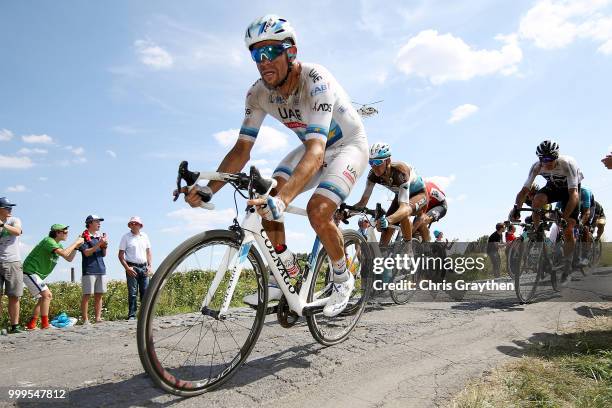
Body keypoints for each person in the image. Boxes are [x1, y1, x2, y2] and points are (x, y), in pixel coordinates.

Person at [184, 15, 369, 317]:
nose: (263, 62)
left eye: (270, 52)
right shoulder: (257, 93)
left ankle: (341, 276)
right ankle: (287, 271)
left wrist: (284, 201)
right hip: (312, 148)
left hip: (347, 146)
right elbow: (242, 149)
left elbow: (317, 148)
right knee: (266, 196)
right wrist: (208, 189)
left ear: (290, 52)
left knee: (317, 210)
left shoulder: (316, 80)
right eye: (256, 55)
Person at [510, 140, 583, 284]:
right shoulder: (537, 167)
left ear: (556, 157)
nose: (546, 163)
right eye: (542, 159)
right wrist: (516, 208)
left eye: (549, 159)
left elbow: (574, 195)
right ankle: (537, 233)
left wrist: (565, 216)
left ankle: (568, 265)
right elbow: (524, 191)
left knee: (568, 228)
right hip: (553, 187)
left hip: (570, 191)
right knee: (537, 199)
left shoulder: (567, 163)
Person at [352, 143, 427, 250]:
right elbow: (363, 202)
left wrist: (388, 219)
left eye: (378, 162)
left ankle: (408, 248)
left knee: (403, 215)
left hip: (418, 194)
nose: (374, 166)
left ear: (388, 161)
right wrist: (347, 213)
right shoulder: (372, 174)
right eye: (371, 162)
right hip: (401, 196)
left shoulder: (400, 171)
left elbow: (404, 208)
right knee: (383, 244)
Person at [23, 224, 83, 330]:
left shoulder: (58, 245)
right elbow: (65, 254)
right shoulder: (49, 241)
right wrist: (76, 242)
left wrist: (76, 247)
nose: (67, 234)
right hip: (30, 271)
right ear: (57, 233)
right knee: (47, 295)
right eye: (65, 232)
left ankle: (31, 324)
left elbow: (69, 258)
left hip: (35, 274)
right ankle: (45, 325)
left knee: (43, 298)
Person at [118, 216, 152, 320]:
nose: (133, 225)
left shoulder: (144, 236)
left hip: (144, 267)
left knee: (145, 292)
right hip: (132, 267)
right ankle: (132, 315)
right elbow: (120, 255)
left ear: (140, 225)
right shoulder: (125, 237)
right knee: (132, 293)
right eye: (131, 223)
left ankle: (144, 315)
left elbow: (149, 252)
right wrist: (127, 268)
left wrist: (150, 266)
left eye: (136, 223)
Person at [0, 197, 24, 334]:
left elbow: (17, 232)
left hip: (12, 261)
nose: (10, 209)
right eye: (7, 207)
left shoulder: (14, 220)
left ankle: (15, 326)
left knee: (14, 295)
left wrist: (2, 225)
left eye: (10, 207)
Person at [79, 215, 108, 325]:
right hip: (89, 269)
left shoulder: (99, 237)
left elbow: (103, 255)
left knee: (99, 294)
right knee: (87, 294)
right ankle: (85, 319)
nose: (99, 223)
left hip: (101, 268)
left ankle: (98, 318)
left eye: (100, 221)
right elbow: (86, 252)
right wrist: (99, 244)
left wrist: (104, 246)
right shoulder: (83, 237)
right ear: (90, 223)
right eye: (97, 221)